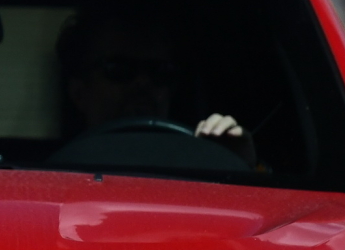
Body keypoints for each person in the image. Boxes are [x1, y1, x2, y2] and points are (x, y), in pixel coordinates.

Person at [56, 9, 248, 155]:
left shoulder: (197, 170)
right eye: (120, 70)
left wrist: (237, 164)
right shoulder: (50, 175)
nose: (142, 82)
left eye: (160, 72)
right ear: (79, 92)